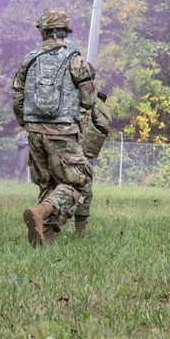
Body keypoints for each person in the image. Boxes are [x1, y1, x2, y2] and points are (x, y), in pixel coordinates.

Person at [12, 8, 96, 246]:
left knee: (47, 182)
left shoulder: (27, 60)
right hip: (63, 131)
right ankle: (41, 212)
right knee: (79, 180)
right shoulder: (75, 60)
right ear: (65, 32)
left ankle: (45, 238)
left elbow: (17, 98)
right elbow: (89, 100)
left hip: (34, 132)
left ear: (43, 31)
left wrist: (28, 124)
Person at [70, 87, 111, 237]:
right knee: (84, 189)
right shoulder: (93, 99)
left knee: (55, 186)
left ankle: (48, 225)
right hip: (81, 152)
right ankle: (80, 231)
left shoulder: (61, 93)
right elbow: (105, 123)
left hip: (57, 149)